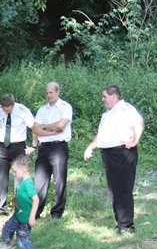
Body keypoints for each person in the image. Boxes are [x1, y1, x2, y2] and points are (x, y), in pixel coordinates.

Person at [84, 85, 144, 234]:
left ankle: (127, 226)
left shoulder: (126, 109)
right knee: (114, 189)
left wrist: (135, 141)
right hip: (108, 154)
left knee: (123, 188)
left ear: (114, 96)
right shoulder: (107, 114)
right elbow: (101, 134)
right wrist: (91, 147)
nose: (102, 99)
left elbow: (139, 123)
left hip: (122, 152)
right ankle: (120, 222)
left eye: (104, 96)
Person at [31, 82, 73, 219]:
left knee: (59, 181)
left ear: (57, 91)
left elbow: (60, 126)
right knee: (40, 181)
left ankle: (57, 213)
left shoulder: (65, 107)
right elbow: (35, 129)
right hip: (44, 147)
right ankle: (36, 211)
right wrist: (50, 130)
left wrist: (43, 126)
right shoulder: (42, 109)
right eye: (47, 93)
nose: (48, 95)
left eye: (51, 93)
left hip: (59, 147)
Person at [0, 93, 35, 216]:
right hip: (2, 147)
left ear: (13, 104)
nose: (5, 109)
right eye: (3, 106)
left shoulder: (22, 110)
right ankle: (0, 209)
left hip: (18, 146)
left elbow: (34, 126)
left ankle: (19, 208)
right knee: (1, 177)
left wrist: (33, 145)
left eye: (8, 106)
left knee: (19, 177)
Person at [0, 154, 39, 249]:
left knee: (23, 240)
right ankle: (10, 243)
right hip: (17, 214)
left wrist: (32, 216)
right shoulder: (22, 181)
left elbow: (36, 199)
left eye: (15, 171)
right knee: (7, 228)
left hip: (25, 219)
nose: (14, 174)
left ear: (23, 170)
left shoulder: (28, 183)